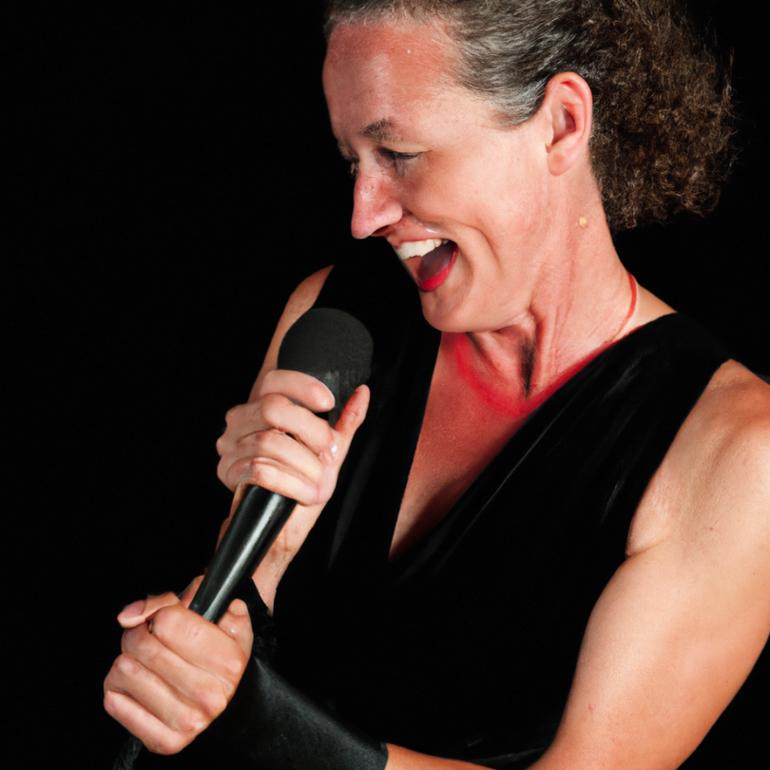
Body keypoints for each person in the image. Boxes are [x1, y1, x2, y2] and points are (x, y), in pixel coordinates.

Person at [104, 2, 770, 768]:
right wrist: (236, 598)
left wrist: (259, 720)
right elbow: (243, 633)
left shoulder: (735, 453)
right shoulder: (338, 317)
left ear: (561, 124)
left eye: (400, 153)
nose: (363, 215)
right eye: (353, 162)